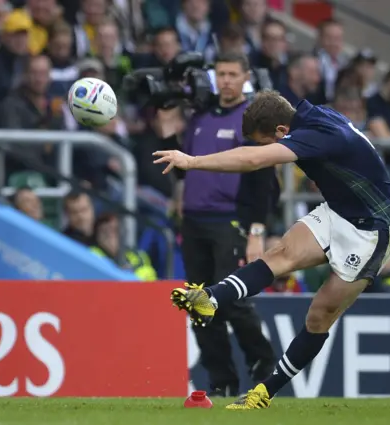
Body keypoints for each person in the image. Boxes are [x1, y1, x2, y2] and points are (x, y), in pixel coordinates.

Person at [153, 89, 390, 409]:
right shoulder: (308, 116)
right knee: (280, 254)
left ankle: (264, 392)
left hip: (373, 230)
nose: (265, 149)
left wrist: (192, 161)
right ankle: (211, 298)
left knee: (320, 315)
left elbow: (253, 160)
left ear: (282, 132)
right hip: (338, 210)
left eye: (266, 141)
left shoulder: (316, 134)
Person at [154, 51, 277, 397]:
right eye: (220, 74)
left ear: (245, 77)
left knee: (231, 299)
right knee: (197, 302)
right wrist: (167, 132)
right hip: (194, 221)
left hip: (231, 221)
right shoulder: (201, 116)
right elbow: (182, 167)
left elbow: (262, 179)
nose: (225, 80)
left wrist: (256, 230)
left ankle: (263, 362)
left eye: (232, 74)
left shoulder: (251, 121)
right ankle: (221, 380)